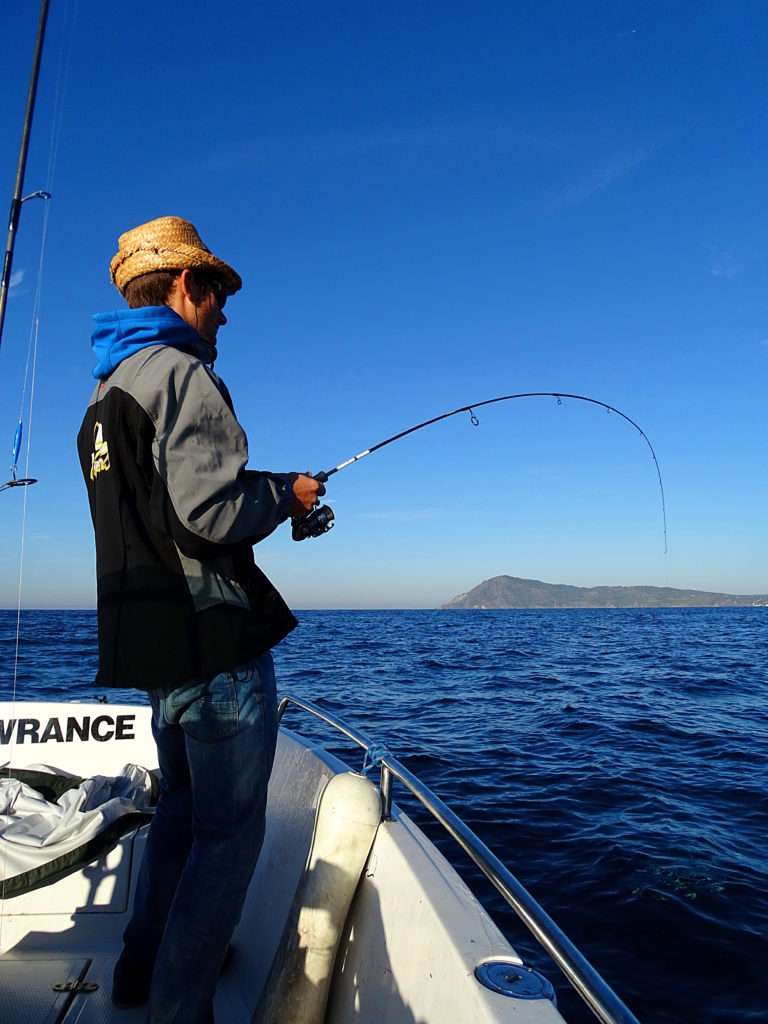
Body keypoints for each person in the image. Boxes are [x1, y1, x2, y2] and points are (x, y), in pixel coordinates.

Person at [76, 215, 325, 1024]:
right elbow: (210, 515)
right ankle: (180, 1009)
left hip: (154, 649)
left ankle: (141, 972)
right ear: (187, 286)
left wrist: (273, 498)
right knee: (226, 837)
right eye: (217, 292)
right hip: (214, 646)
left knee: (180, 811)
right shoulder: (181, 375)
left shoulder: (105, 396)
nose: (225, 311)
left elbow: (161, 517)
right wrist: (284, 495)